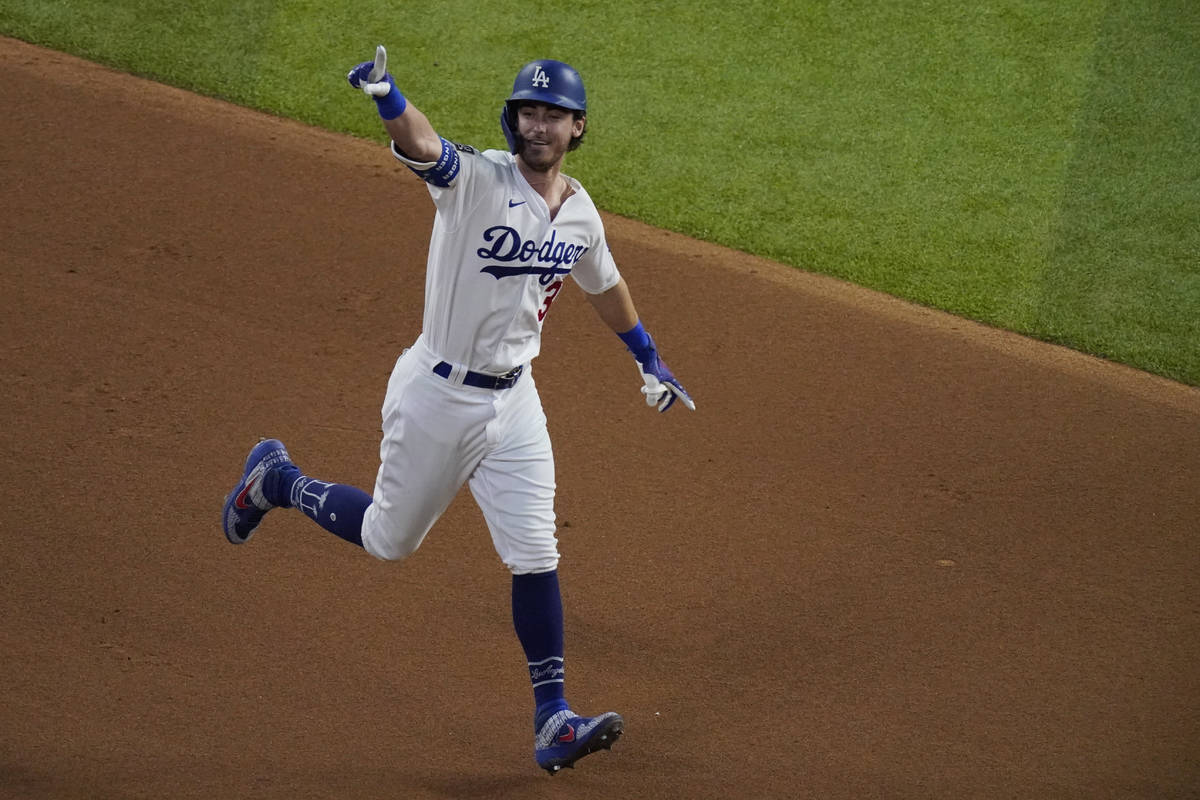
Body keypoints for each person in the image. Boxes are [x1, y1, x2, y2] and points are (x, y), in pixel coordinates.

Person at [221, 45, 694, 775]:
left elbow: (605, 285)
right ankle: (276, 482)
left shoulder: (582, 215)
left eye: (553, 116)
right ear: (514, 119)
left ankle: (552, 719)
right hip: (436, 395)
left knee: (536, 553)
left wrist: (649, 356)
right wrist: (387, 94)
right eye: (528, 112)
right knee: (388, 540)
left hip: (516, 404)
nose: (538, 125)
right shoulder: (475, 180)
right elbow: (423, 145)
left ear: (578, 129)